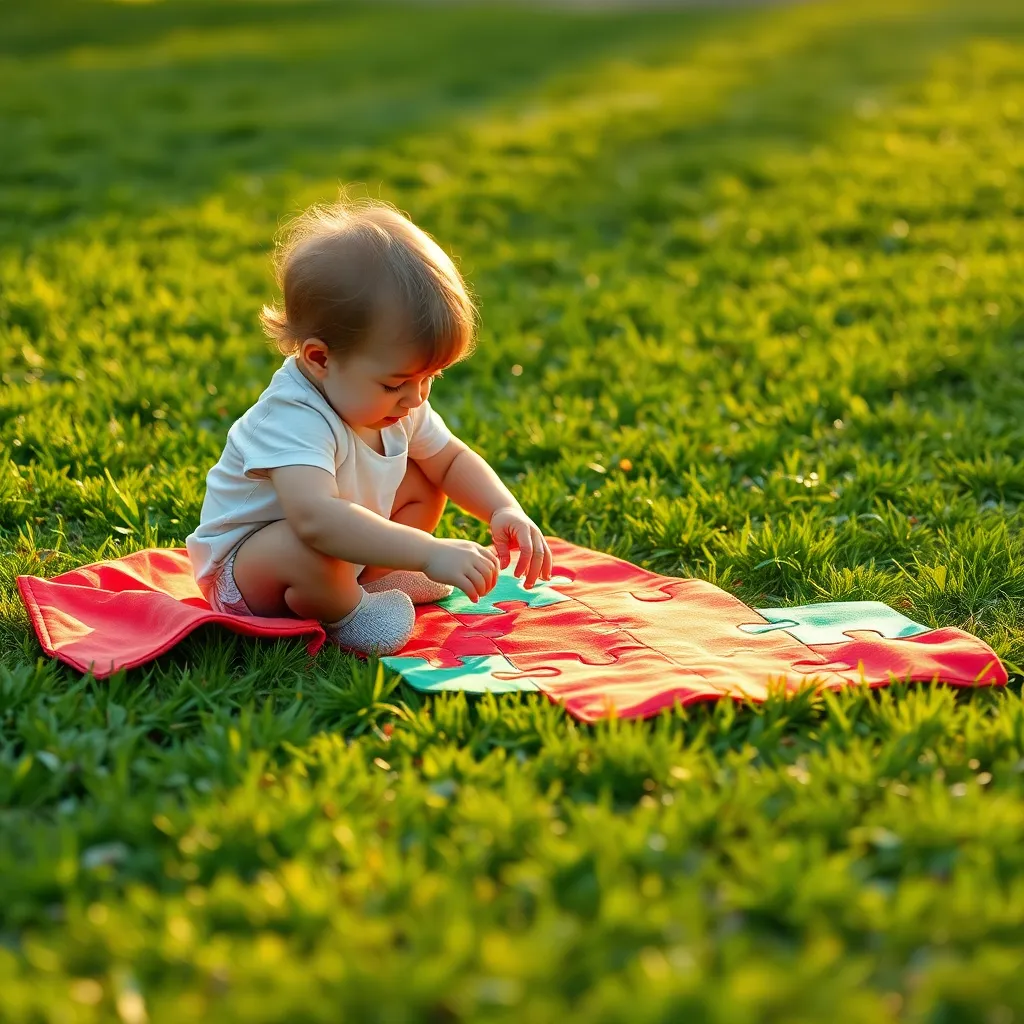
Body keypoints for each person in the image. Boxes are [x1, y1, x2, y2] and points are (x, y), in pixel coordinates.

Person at [186, 194, 553, 655]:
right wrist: (426, 551)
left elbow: (451, 458)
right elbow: (316, 520)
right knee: (303, 544)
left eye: (429, 378)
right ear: (320, 359)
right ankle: (349, 613)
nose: (416, 397)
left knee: (424, 477)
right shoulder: (291, 416)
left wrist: (503, 509)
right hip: (251, 574)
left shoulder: (391, 400)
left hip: (338, 546)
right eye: (398, 382)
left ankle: (374, 579)